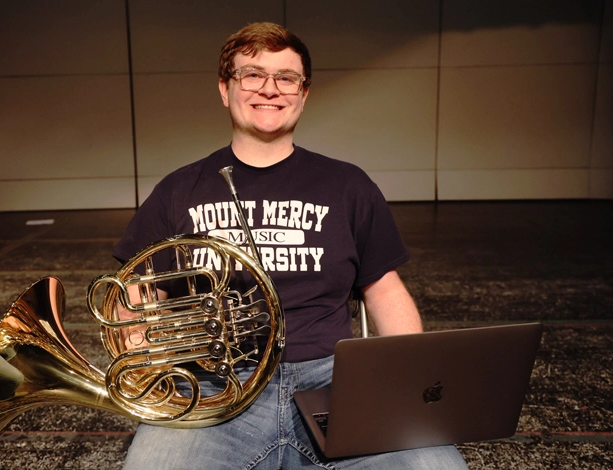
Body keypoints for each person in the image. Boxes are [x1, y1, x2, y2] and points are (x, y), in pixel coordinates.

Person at [113, 22, 469, 469]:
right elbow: (137, 292)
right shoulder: (179, 189)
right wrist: (138, 339)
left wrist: (413, 385)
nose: (270, 89)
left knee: (437, 468)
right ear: (226, 89)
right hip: (217, 380)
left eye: (286, 78)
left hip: (334, 379)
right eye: (252, 75)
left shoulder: (347, 185)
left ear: (304, 93)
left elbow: (385, 289)